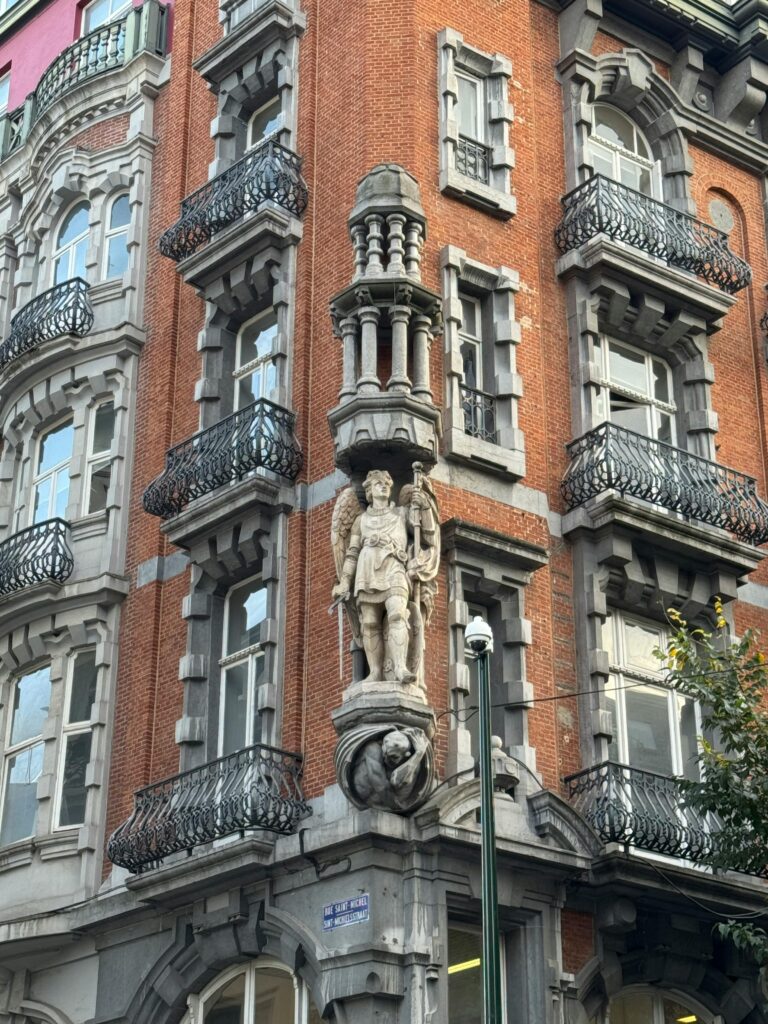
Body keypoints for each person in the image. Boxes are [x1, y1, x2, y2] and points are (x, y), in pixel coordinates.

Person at [332, 469, 423, 683]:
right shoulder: (360, 521)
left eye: (386, 483)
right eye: (377, 483)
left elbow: (421, 527)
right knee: (370, 622)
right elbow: (352, 553)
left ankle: (400, 667)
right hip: (367, 567)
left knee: (397, 614)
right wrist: (344, 581)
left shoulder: (401, 513)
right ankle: (375, 672)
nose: (383, 486)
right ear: (370, 492)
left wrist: (421, 504)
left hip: (395, 566)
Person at [351, 728, 429, 811]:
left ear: (406, 754)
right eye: (385, 753)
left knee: (414, 766)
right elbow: (378, 781)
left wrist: (418, 754)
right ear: (383, 746)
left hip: (389, 803)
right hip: (372, 800)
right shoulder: (373, 749)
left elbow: (395, 783)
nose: (386, 759)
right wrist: (398, 807)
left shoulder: (412, 762)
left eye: (394, 757)